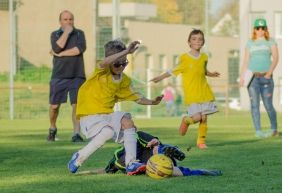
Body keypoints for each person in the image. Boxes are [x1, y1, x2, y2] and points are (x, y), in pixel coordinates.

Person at [67, 39, 164, 175]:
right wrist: (126, 51)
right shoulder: (101, 71)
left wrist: (152, 102)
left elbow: (137, 97)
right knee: (107, 132)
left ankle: (131, 163)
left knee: (127, 122)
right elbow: (105, 62)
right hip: (89, 116)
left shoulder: (124, 80)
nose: (121, 67)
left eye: (124, 63)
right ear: (111, 60)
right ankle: (79, 157)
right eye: (118, 63)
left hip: (107, 115)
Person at [150, 29, 220, 149]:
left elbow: (203, 70)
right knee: (197, 117)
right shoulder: (184, 58)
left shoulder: (204, 57)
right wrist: (160, 77)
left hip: (204, 91)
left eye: (200, 39)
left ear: (203, 42)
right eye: (194, 39)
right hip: (191, 93)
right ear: (189, 42)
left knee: (204, 118)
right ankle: (186, 120)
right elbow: (173, 70)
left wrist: (211, 74)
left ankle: (201, 141)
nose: (197, 41)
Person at [105, 131, 222, 177]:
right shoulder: (119, 154)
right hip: (150, 164)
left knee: (156, 147)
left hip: (154, 156)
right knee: (174, 171)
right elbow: (111, 167)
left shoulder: (136, 136)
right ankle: (202, 172)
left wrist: (154, 141)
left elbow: (142, 137)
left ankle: (168, 150)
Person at [48, 10, 86, 142]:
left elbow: (79, 49)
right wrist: (66, 33)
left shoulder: (80, 33)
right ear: (60, 21)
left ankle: (76, 133)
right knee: (54, 106)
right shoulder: (55, 34)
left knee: (77, 105)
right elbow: (57, 47)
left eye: (71, 19)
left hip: (77, 75)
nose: (69, 22)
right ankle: (52, 128)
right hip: (59, 76)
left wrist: (60, 54)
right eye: (65, 19)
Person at [239, 18, 279, 138]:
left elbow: (276, 58)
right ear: (254, 30)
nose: (260, 30)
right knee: (254, 105)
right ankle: (258, 131)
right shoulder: (250, 43)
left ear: (265, 29)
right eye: (258, 28)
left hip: (266, 78)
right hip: (252, 79)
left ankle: (274, 129)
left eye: (262, 28)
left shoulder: (270, 41)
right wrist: (242, 76)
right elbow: (246, 61)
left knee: (268, 105)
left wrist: (269, 72)